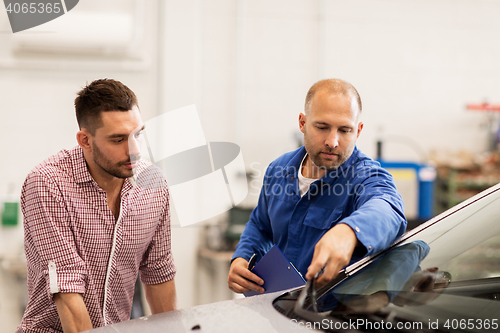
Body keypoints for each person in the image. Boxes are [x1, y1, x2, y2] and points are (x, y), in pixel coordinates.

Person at [17, 79, 176, 333]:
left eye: (138, 135)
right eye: (118, 140)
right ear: (85, 141)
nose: (134, 151)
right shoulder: (49, 183)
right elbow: (68, 292)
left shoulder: (153, 184)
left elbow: (159, 273)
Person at [228, 78, 407, 294]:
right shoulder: (278, 170)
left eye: (345, 130)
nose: (332, 141)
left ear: (358, 131)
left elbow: (389, 208)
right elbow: (260, 225)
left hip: (332, 318)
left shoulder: (366, 176)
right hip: (278, 309)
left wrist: (350, 231)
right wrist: (242, 257)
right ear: (303, 123)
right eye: (322, 127)